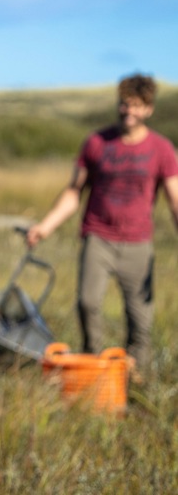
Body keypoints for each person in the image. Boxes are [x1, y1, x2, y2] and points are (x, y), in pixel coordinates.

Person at [26, 73, 178, 377]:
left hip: (138, 243)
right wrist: (46, 226)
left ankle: (137, 380)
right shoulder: (96, 143)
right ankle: (93, 368)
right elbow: (73, 192)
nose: (128, 111)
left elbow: (175, 200)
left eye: (136, 106)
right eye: (124, 104)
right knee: (87, 303)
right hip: (98, 236)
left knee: (140, 320)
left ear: (149, 109)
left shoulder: (161, 149)